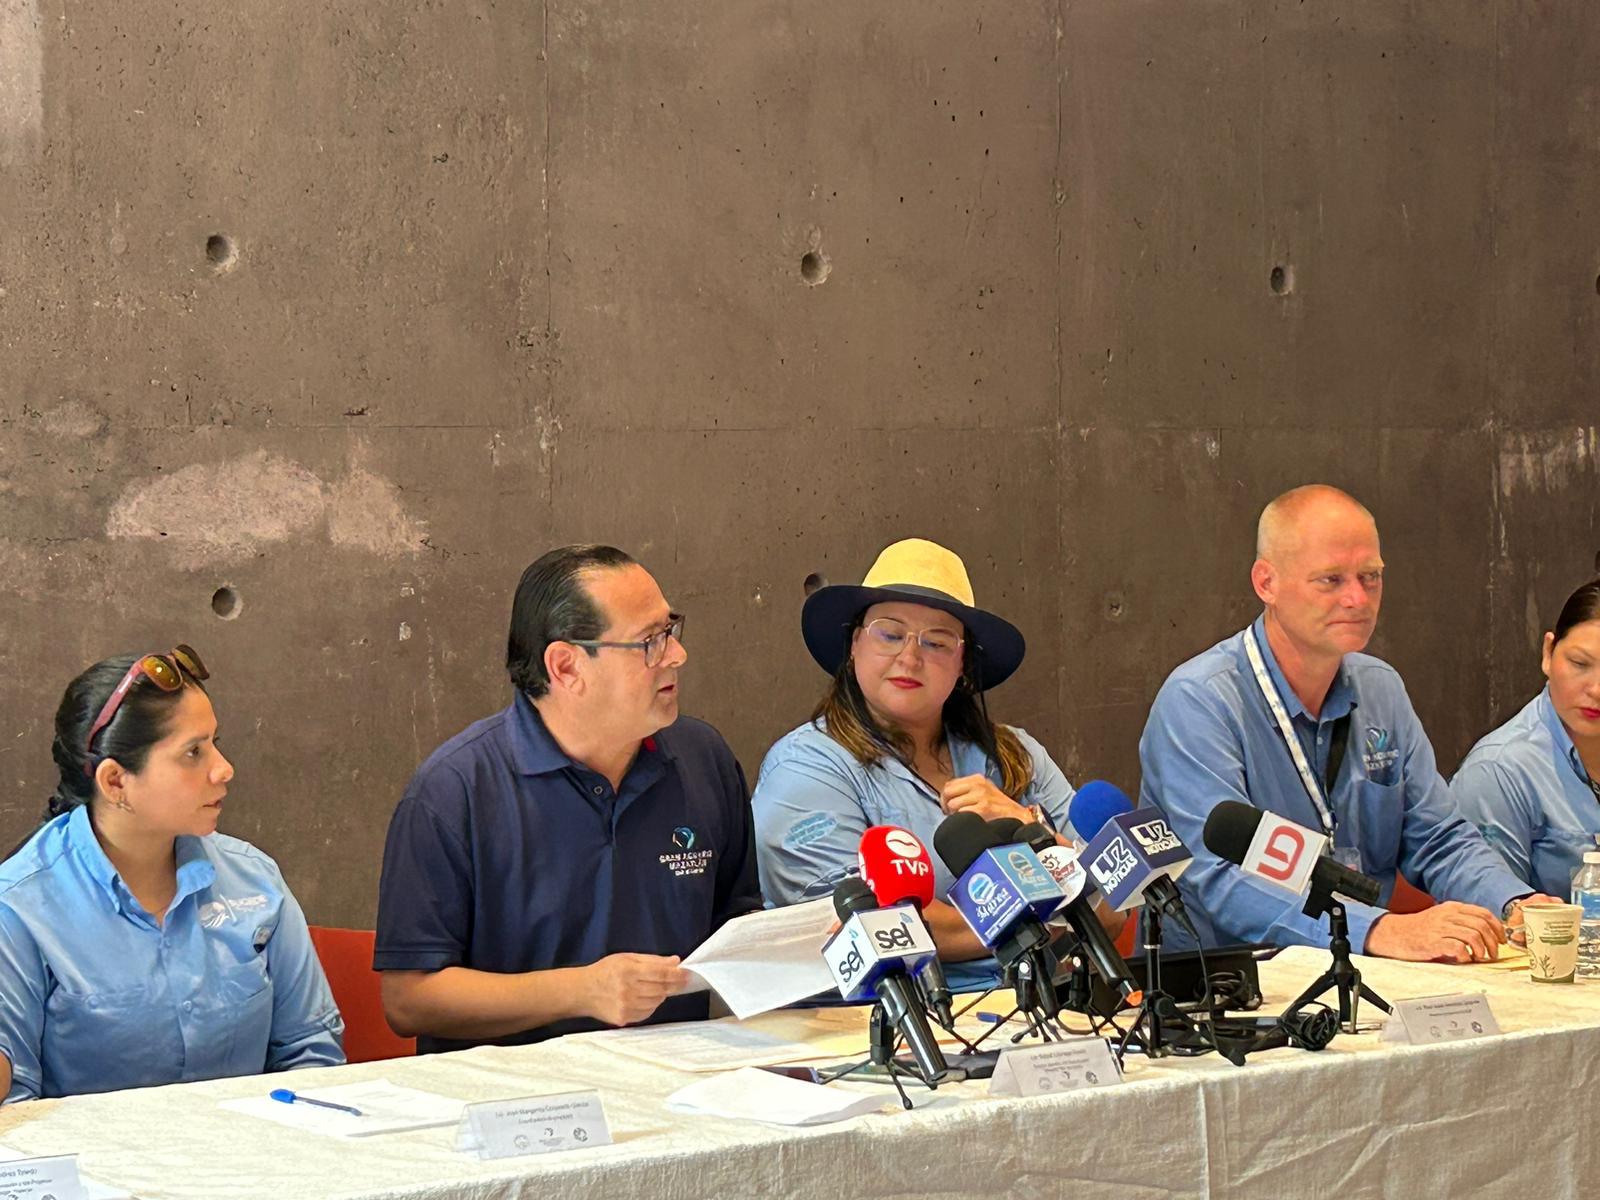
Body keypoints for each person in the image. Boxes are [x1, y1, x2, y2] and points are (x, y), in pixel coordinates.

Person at [1139, 485, 1559, 963]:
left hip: (1361, 975)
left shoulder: (1380, 688)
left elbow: (1439, 836)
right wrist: (1378, 929)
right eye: (1331, 580)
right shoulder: (1200, 701)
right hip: (1225, 994)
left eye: (1371, 577)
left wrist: (1512, 902)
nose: (1358, 598)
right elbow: (1219, 877)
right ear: (1266, 583)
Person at [375, 545, 762, 1052]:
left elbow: (737, 925)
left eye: (670, 630)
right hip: (515, 1104)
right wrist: (582, 990)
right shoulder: (454, 790)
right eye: (650, 641)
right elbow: (409, 1000)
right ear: (566, 667)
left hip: (677, 1086)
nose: (677, 655)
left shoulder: (702, 758)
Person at [753, 537, 1119, 992]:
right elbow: (870, 923)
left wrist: (1029, 825)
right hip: (876, 1030)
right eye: (889, 634)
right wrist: (1050, 906)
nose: (910, 657)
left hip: (1037, 1011)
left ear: (963, 663)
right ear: (854, 644)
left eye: (937, 642)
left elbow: (1111, 908)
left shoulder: (1016, 755)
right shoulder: (805, 768)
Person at [0, 648, 344, 1103]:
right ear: (116, 782)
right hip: (96, 1168)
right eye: (193, 752)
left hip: (254, 1160)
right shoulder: (21, 907)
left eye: (215, 743)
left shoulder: (254, 879)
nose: (224, 769)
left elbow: (311, 1053)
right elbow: (15, 1109)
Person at [1451, 578, 1600, 897]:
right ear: (1549, 653)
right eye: (1580, 664)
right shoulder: (1498, 770)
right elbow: (1493, 918)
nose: (1596, 690)